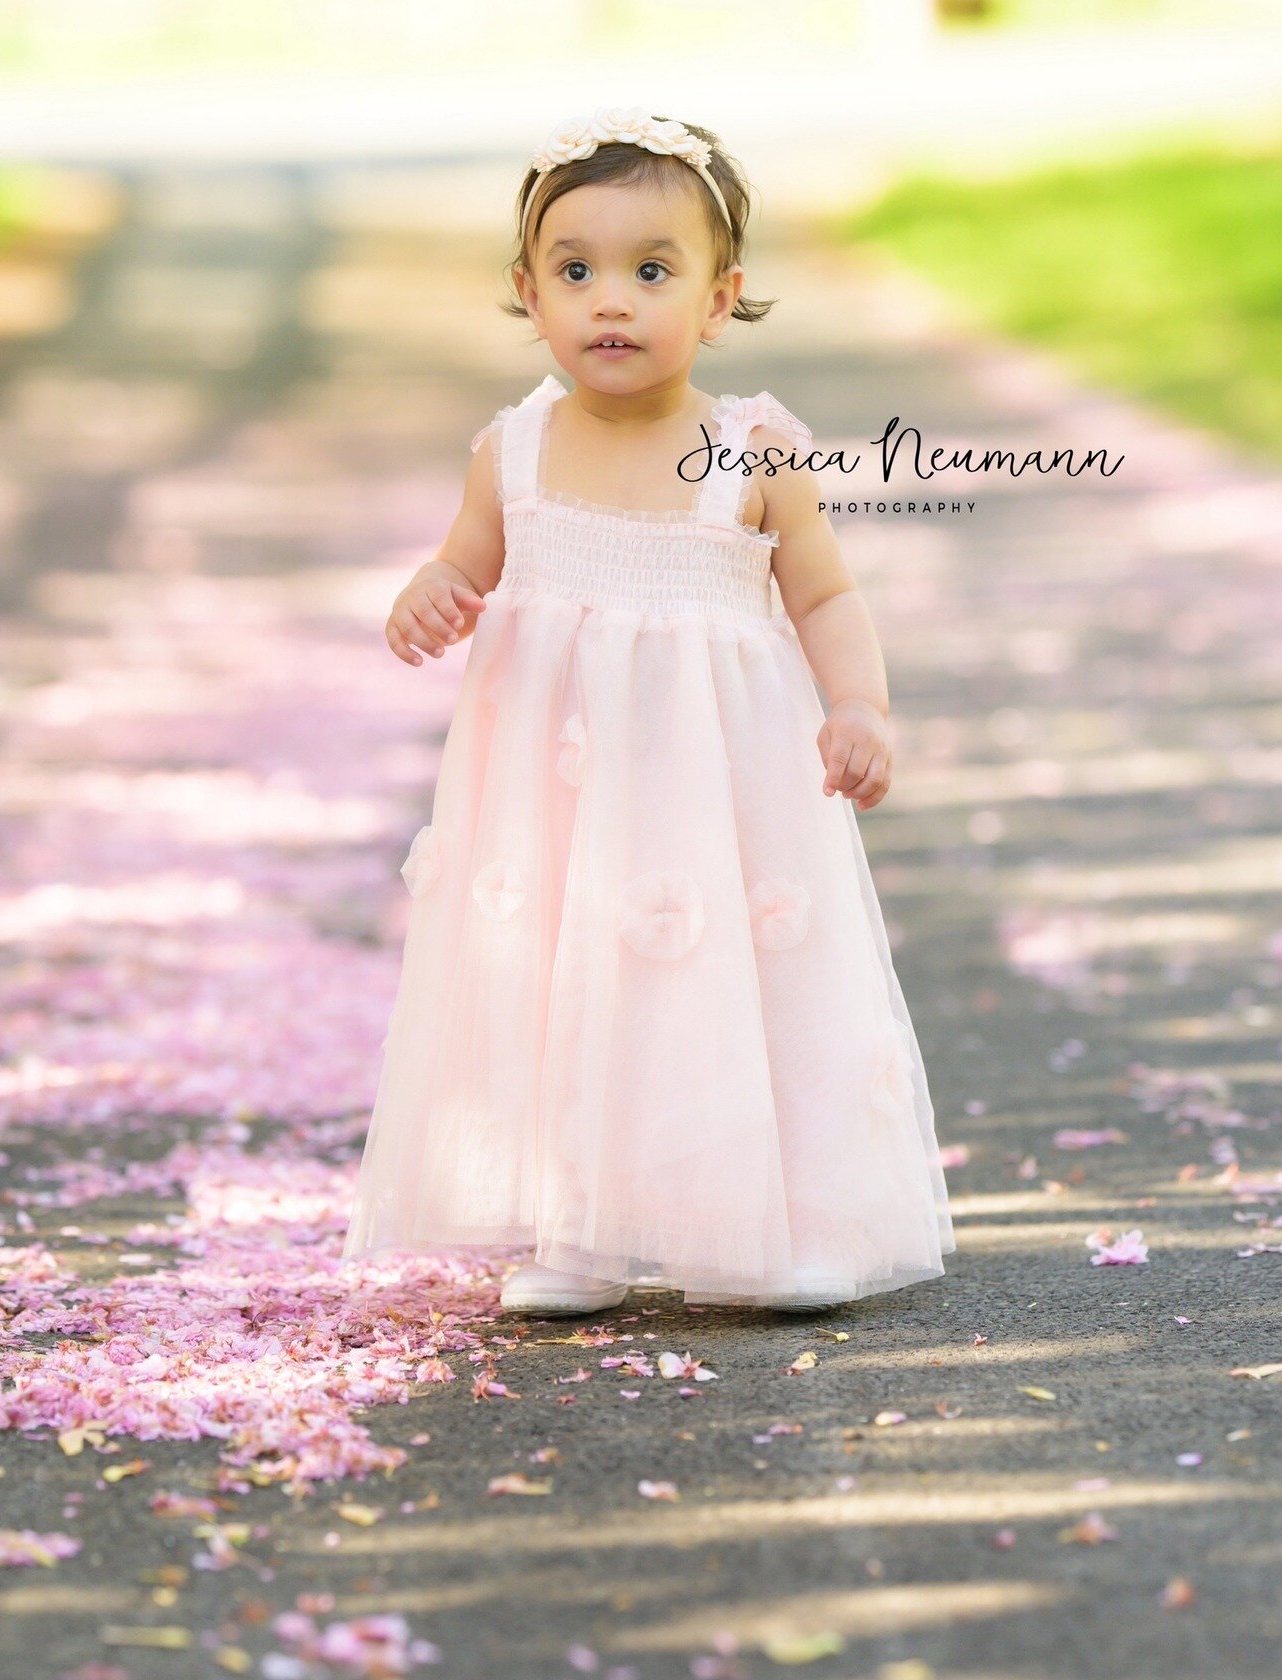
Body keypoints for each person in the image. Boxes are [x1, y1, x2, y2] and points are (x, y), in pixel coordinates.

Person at [342, 109, 955, 1315]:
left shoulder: (750, 453)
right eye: (574, 271)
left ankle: (785, 1221)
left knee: (740, 984)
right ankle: (578, 1223)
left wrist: (860, 704)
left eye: (650, 271)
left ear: (719, 299)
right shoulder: (511, 451)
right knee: (565, 978)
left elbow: (823, 590)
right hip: (558, 798)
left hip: (715, 794)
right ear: (527, 291)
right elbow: (464, 564)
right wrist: (431, 594)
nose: (608, 300)